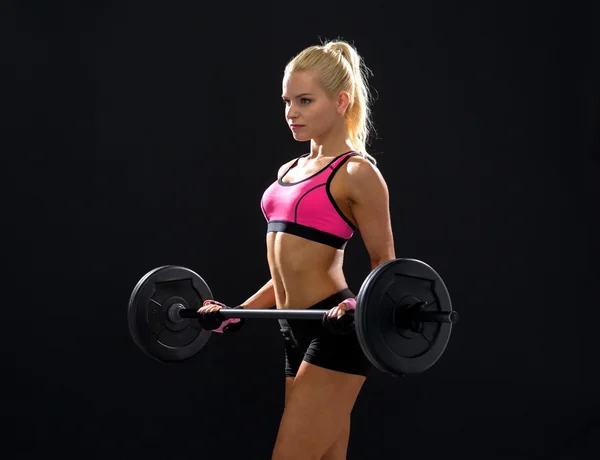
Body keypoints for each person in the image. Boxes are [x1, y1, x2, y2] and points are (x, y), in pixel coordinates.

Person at [198, 39, 396, 460]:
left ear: (341, 101)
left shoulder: (357, 173)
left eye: (305, 101)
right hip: (292, 325)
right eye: (288, 101)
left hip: (336, 330)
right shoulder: (288, 170)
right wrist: (237, 310)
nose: (292, 113)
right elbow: (287, 272)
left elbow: (385, 266)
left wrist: (357, 306)